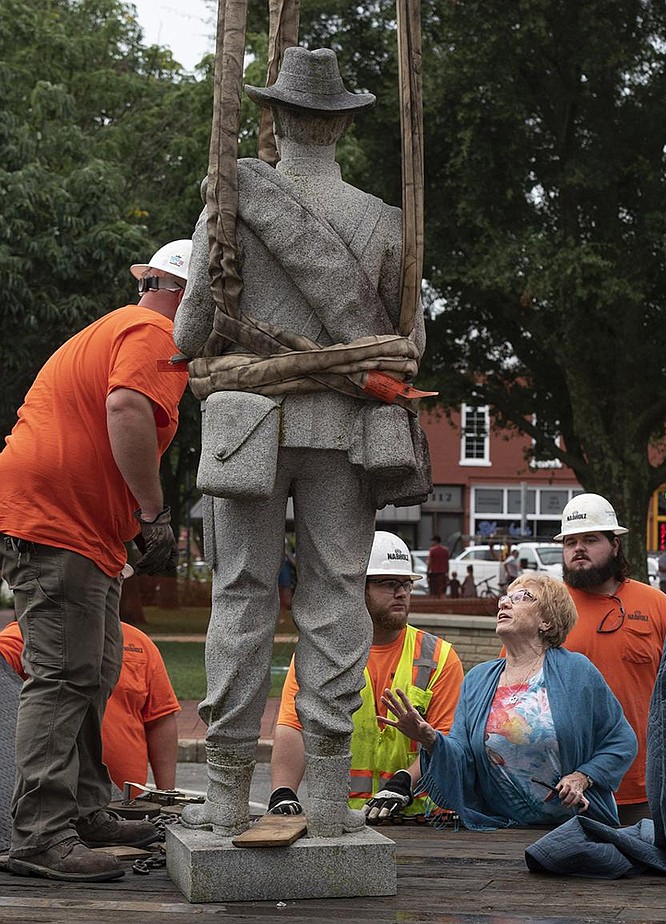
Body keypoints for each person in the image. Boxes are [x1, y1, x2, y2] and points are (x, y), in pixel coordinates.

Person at [174, 47, 428, 838]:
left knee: (240, 597)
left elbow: (188, 331)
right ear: (342, 126)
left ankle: (224, 797)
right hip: (346, 434)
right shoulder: (386, 223)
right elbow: (408, 348)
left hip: (246, 427)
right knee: (335, 598)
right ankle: (324, 800)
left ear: (276, 119)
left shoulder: (230, 208)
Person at [0, 238, 191, 881]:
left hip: (74, 525)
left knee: (95, 668)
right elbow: (126, 406)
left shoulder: (119, 327)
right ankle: (40, 836)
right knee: (63, 675)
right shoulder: (155, 331)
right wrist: (152, 510)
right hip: (59, 522)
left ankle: (83, 810)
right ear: (186, 295)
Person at [381, 573, 636, 830]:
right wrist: (431, 740)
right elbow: (463, 757)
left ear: (547, 621)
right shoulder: (478, 679)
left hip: (574, 828)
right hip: (502, 830)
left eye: (522, 597)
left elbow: (621, 740)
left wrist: (583, 777)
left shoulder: (576, 671)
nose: (504, 603)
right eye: (504, 597)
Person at [268, 531, 463, 823]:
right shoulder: (320, 654)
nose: (401, 593)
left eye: (406, 584)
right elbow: (293, 727)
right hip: (342, 817)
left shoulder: (439, 657)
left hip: (420, 821)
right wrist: (283, 792)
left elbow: (447, 739)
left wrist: (404, 781)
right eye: (389, 584)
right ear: (358, 588)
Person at [556, 493, 666, 826]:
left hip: (645, 787)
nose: (578, 548)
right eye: (570, 542)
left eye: (591, 539)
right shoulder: (545, 608)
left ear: (615, 545)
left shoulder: (657, 605)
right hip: (564, 791)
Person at [0, 620, 180, 793]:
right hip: (52, 800)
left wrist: (165, 793)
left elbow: (160, 719)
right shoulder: (31, 632)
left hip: (128, 804)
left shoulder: (138, 641)